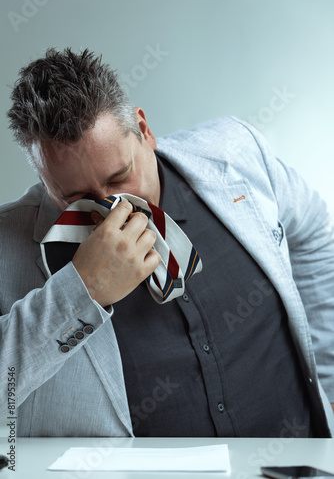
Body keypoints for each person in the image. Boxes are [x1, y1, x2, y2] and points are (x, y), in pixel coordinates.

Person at [1, 47, 334, 438]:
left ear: (143, 129)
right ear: (44, 178)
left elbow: (314, 235)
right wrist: (81, 292)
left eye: (120, 176)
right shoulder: (9, 242)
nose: (110, 206)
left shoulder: (236, 153)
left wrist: (330, 378)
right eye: (74, 197)